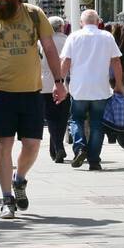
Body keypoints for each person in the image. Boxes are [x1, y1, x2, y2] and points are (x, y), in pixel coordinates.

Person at [0, 0, 66, 218]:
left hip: (32, 91)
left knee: (32, 145)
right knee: (4, 144)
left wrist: (58, 82)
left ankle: (19, 179)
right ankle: (6, 198)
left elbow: (50, 49)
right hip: (1, 91)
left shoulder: (34, 15)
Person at [62, 9, 124, 171]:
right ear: (98, 22)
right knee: (97, 123)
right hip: (100, 88)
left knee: (77, 119)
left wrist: (60, 83)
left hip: (79, 88)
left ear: (81, 23)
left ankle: (80, 147)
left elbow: (66, 62)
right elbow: (116, 62)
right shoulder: (107, 37)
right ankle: (94, 160)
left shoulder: (73, 37)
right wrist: (118, 85)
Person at [41, 15, 72, 162]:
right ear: (61, 27)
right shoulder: (68, 41)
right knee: (62, 117)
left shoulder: (41, 43)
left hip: (45, 85)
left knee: (51, 118)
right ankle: (58, 147)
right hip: (64, 84)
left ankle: (56, 148)